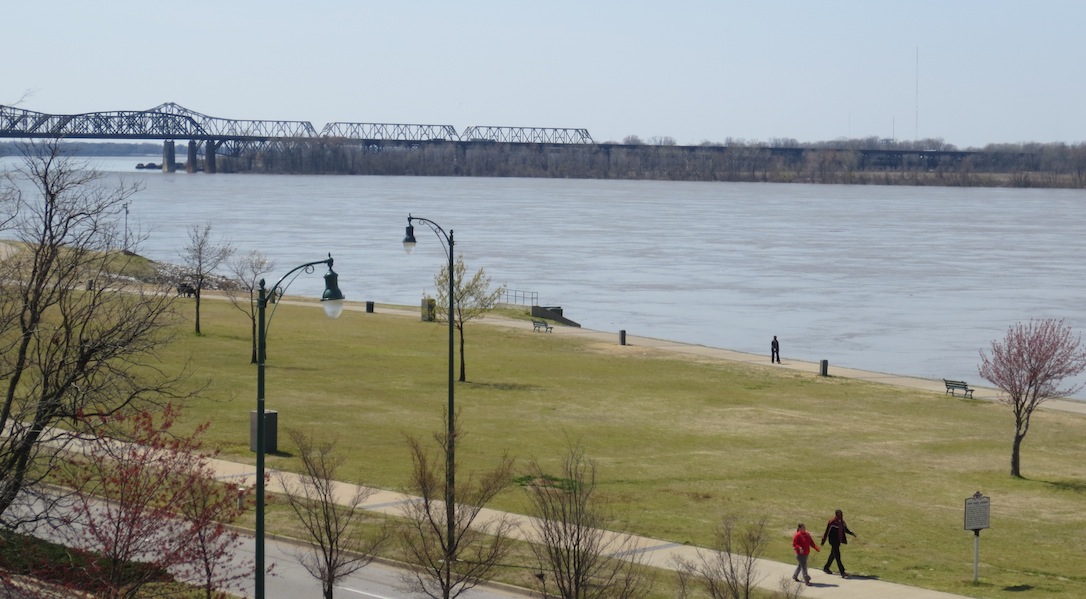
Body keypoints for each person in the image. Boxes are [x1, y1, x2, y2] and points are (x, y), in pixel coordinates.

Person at [821, 509, 857, 578]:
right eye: (839, 514)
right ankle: (842, 572)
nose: (840, 516)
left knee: (833, 554)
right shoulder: (832, 522)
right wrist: (823, 540)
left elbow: (845, 529)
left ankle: (826, 567)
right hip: (833, 541)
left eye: (841, 514)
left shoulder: (841, 522)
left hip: (838, 541)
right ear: (836, 515)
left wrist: (851, 533)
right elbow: (827, 532)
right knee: (838, 556)